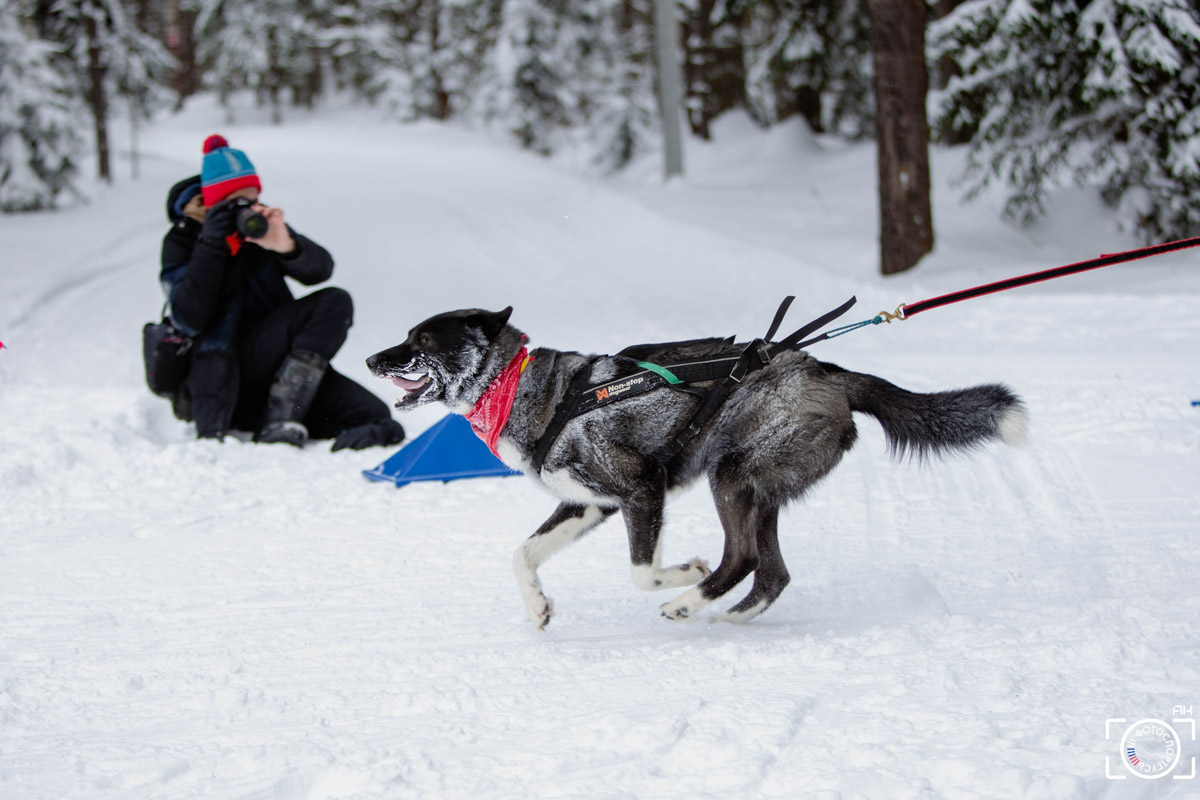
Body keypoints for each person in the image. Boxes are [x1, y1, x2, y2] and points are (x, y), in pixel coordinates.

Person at [159, 134, 404, 451]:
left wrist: (285, 245)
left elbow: (321, 269)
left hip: (280, 373)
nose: (247, 209)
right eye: (235, 203)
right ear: (212, 203)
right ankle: (276, 419)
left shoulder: (258, 226)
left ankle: (284, 415)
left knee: (374, 414)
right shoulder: (183, 240)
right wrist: (212, 244)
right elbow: (188, 317)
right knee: (330, 306)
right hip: (219, 373)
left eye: (252, 197)